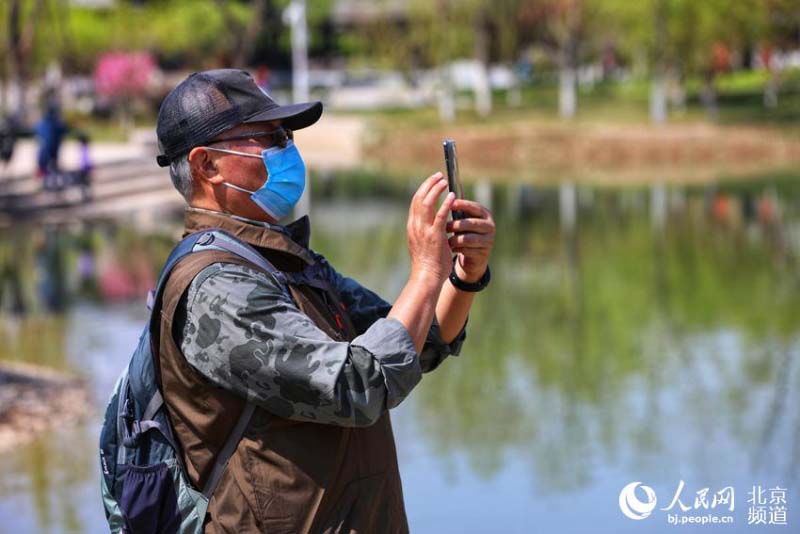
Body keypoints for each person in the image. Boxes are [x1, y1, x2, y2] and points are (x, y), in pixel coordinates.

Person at [153, 69, 495, 533]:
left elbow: (419, 342)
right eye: (268, 137)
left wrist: (462, 275)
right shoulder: (216, 288)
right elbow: (358, 386)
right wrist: (426, 271)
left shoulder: (284, 261)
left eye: (286, 135)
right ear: (206, 165)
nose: (287, 149)